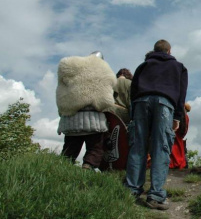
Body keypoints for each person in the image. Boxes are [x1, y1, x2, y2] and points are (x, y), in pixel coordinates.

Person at [125, 40, 188, 210]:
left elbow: (134, 90)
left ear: (154, 50)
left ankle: (131, 191)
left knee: (137, 146)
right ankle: (155, 196)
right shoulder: (178, 67)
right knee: (161, 147)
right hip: (164, 104)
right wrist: (177, 117)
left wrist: (133, 115)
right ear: (169, 51)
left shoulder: (143, 65)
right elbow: (181, 94)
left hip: (141, 102)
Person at [56, 51, 116, 170]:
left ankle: (61, 171)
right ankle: (87, 167)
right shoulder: (102, 72)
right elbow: (107, 100)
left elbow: (61, 95)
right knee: (95, 148)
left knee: (69, 149)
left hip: (70, 119)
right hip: (94, 120)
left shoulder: (73, 71)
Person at [169, 103, 190, 169]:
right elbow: (185, 131)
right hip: (179, 138)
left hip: (172, 136)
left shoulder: (174, 114)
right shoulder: (186, 117)